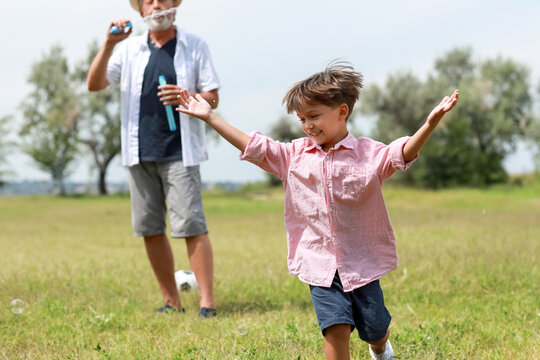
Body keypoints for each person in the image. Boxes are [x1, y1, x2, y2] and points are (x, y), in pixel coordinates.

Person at [175, 62, 459, 359]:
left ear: (342, 111)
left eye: (314, 116)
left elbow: (402, 153)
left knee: (375, 327)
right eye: (302, 119)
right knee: (335, 329)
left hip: (361, 263)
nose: (308, 125)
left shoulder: (368, 154)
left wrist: (429, 124)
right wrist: (210, 117)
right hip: (320, 265)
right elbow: (254, 147)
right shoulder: (293, 156)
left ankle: (380, 348)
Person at [87, 0, 220, 317]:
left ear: (174, 6)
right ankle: (172, 302)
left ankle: (207, 305)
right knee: (150, 228)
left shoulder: (194, 45)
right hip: (139, 151)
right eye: (148, 1)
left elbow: (212, 96)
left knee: (191, 225)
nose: (157, 4)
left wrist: (186, 96)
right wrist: (109, 44)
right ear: (141, 11)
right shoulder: (128, 49)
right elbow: (94, 84)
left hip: (179, 150)